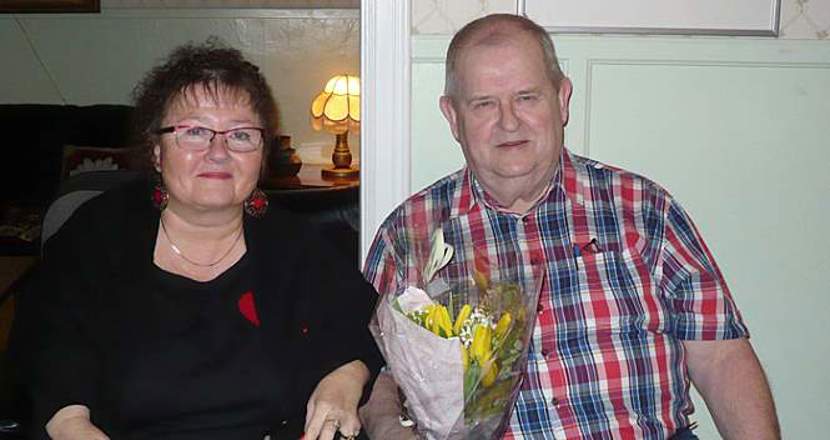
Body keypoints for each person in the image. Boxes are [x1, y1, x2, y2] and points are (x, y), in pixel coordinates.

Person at [361, 14, 779, 439]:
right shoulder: (408, 235)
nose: (509, 121)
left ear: (561, 99)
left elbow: (721, 357)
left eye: (527, 97)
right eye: (484, 104)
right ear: (453, 116)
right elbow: (373, 377)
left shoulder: (643, 208)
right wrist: (389, 430)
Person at [10, 40, 381, 440]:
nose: (218, 151)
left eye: (241, 135)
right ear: (157, 151)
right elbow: (48, 350)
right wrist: (70, 423)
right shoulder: (96, 235)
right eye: (195, 132)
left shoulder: (295, 244)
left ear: (261, 154)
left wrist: (345, 377)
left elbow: (363, 322)